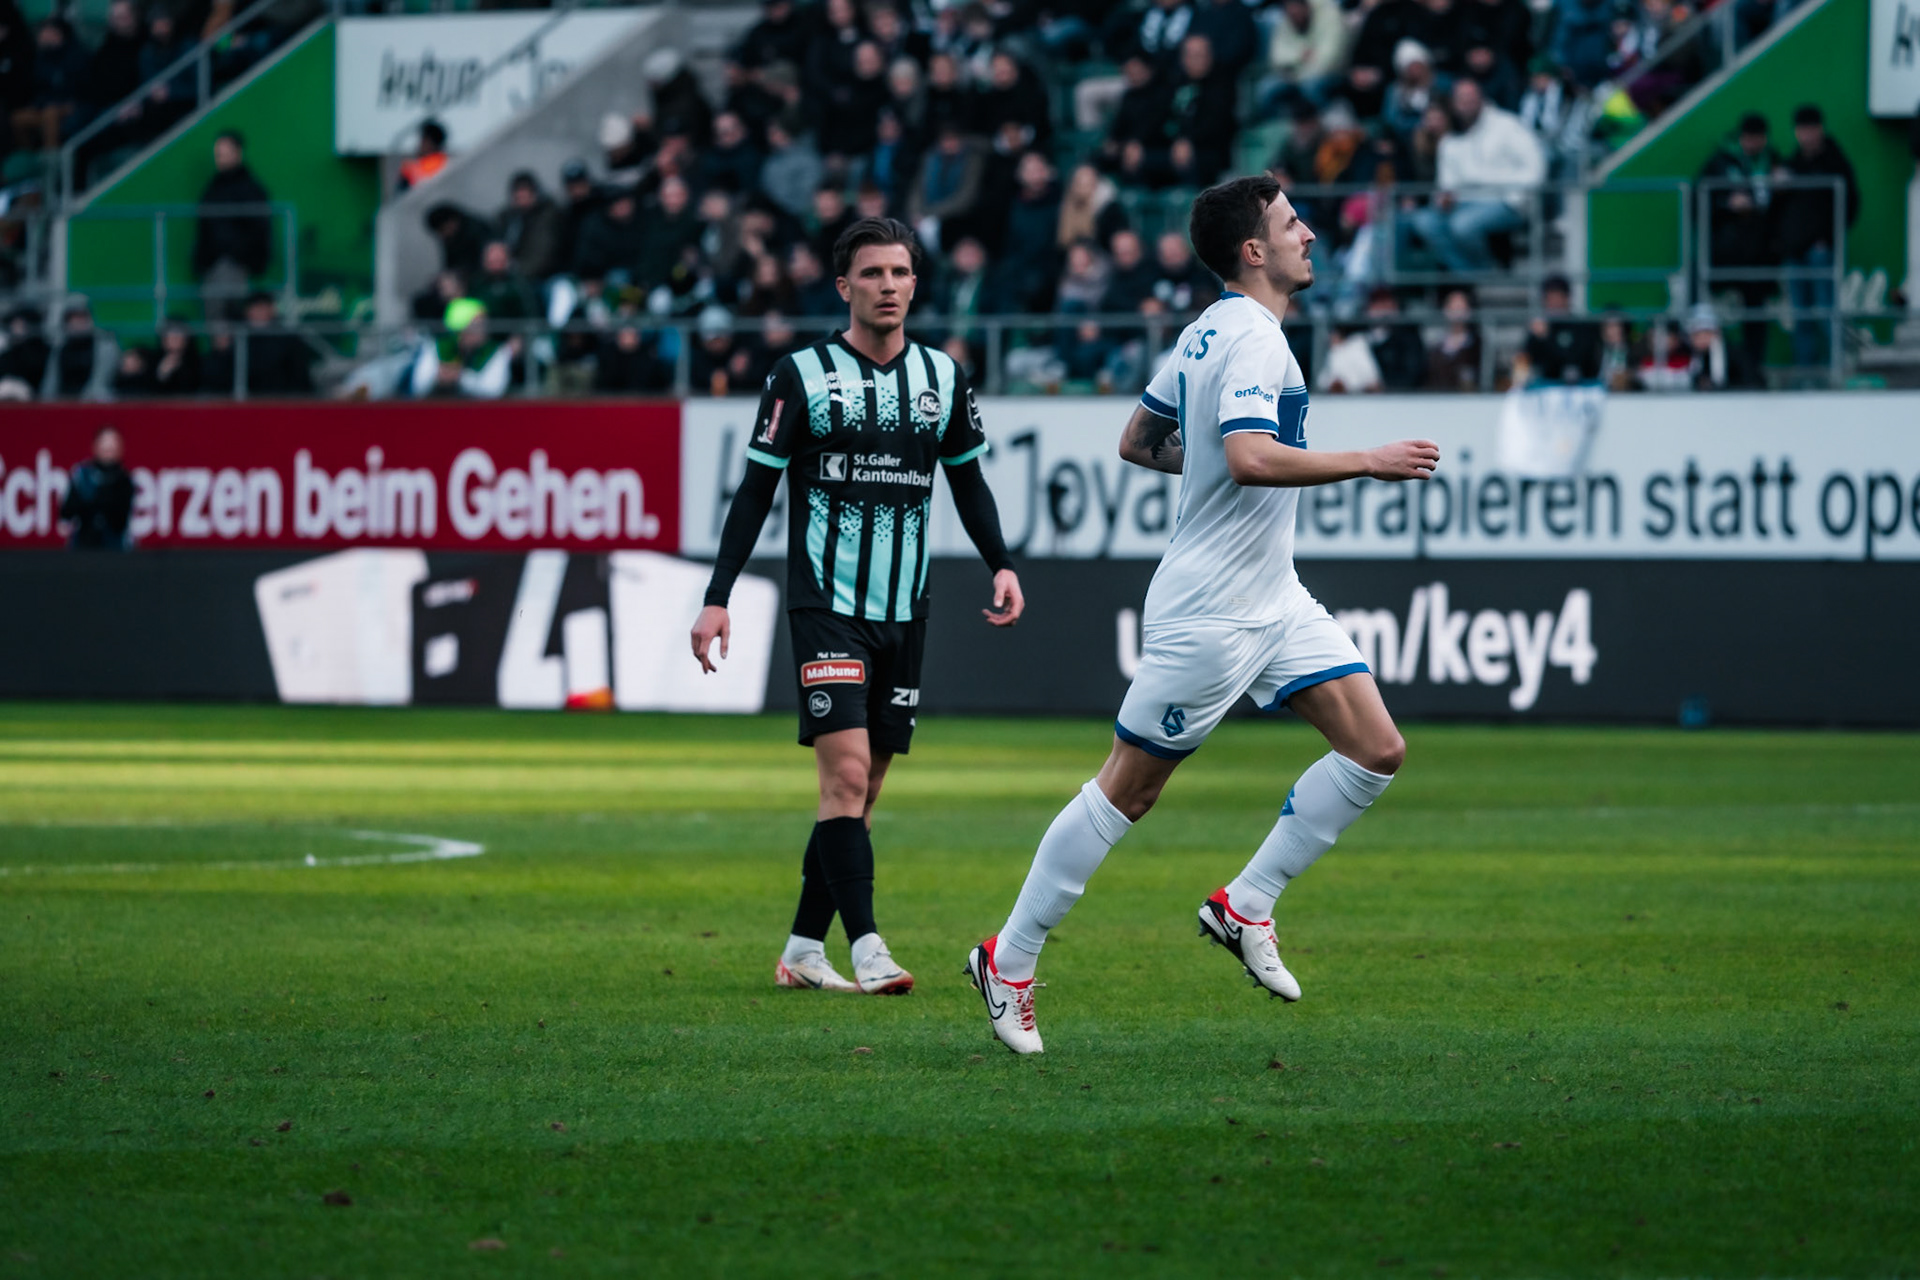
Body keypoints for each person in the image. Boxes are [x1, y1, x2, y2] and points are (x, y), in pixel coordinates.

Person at [965, 176, 1439, 1054]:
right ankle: (1010, 955)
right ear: (1253, 251)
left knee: (1377, 749)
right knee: (1128, 790)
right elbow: (1253, 459)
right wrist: (1365, 460)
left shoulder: (1206, 330)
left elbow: (1138, 441)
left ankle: (1245, 903)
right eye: (1292, 223)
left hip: (1274, 596)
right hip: (1212, 611)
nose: (1310, 234)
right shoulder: (1255, 341)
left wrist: (1215, 465)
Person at [690, 217, 1026, 998]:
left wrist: (1001, 564)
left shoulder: (944, 377)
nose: (887, 286)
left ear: (916, 284)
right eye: (871, 274)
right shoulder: (799, 375)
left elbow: (967, 481)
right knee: (843, 778)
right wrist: (718, 597)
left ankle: (805, 947)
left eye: (900, 273)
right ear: (844, 287)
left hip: (905, 609)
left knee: (862, 794)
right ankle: (869, 946)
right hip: (826, 605)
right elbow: (756, 488)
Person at [1403, 78, 1544, 273]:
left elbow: (1535, 169)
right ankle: (1472, 273)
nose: (1466, 103)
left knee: (1463, 225)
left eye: (1470, 97)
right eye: (1460, 98)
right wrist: (1442, 199)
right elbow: (1446, 184)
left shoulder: (1507, 125)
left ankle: (1484, 273)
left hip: (1505, 201)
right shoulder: (1450, 140)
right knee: (1423, 221)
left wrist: (1515, 198)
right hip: (1462, 203)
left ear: (1481, 98)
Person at [1774, 103, 1858, 375]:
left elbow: (1851, 204)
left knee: (1826, 312)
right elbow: (1777, 211)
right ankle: (1806, 373)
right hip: (1794, 252)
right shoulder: (1790, 165)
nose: (1806, 135)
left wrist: (1828, 239)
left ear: (1820, 130)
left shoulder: (1835, 163)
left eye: (1811, 129)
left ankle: (1835, 369)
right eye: (1802, 129)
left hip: (1821, 250)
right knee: (1801, 316)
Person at [1697, 112, 1780, 375]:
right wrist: (1728, 204)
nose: (1754, 143)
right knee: (1710, 315)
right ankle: (1710, 369)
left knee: (1756, 314)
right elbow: (1698, 201)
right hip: (1725, 251)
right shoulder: (1721, 162)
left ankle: (1753, 369)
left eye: (1759, 138)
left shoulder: (1774, 162)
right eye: (1750, 137)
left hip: (1759, 253)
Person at [192, 131, 272, 322]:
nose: (221, 158)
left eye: (225, 152)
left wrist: (239, 256)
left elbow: (259, 228)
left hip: (234, 265)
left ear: (238, 153)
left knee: (231, 319)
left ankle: (233, 352)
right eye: (218, 153)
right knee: (215, 319)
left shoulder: (250, 188)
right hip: (213, 264)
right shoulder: (214, 186)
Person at [61, 425, 134, 550]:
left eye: (112, 445)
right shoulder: (82, 477)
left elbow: (120, 520)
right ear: (95, 446)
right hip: (83, 547)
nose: (108, 449)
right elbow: (67, 513)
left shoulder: (124, 481)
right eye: (104, 444)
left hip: (115, 549)